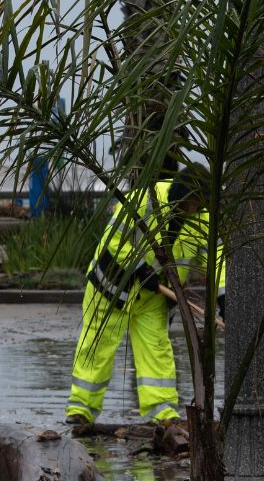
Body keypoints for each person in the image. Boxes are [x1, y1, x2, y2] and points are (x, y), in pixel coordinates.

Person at [65, 178, 220, 432]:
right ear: (179, 196)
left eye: (197, 205)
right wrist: (140, 269)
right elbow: (113, 240)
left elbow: (216, 259)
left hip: (153, 298)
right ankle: (81, 411)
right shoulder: (143, 200)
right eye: (189, 204)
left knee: (156, 350)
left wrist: (224, 295)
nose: (193, 210)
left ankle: (163, 413)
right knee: (96, 347)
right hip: (111, 288)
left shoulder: (203, 218)